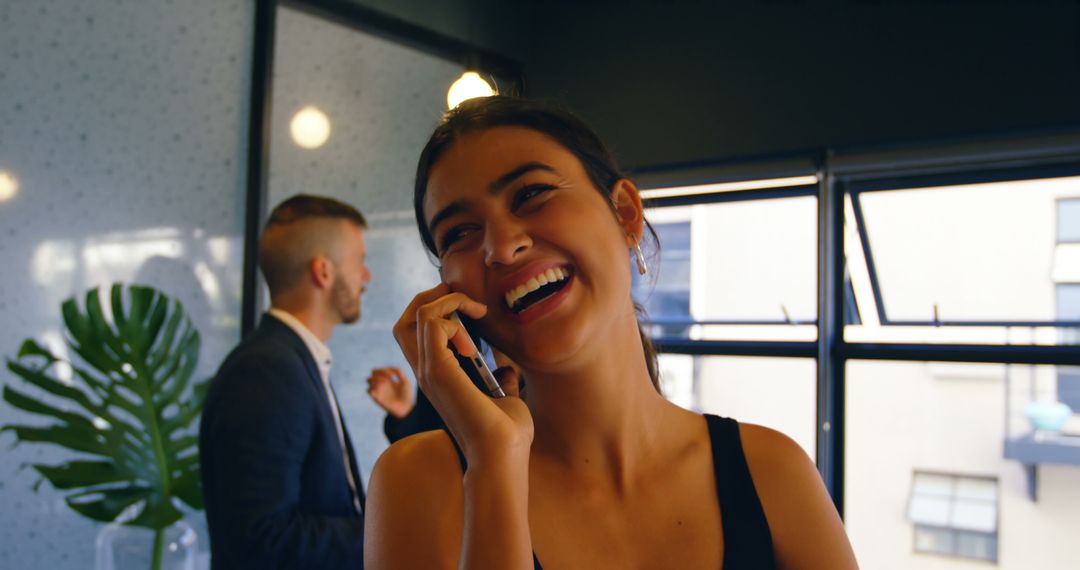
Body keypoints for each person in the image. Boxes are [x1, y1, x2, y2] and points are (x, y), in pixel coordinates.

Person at [364, 96, 860, 569]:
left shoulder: (773, 472)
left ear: (625, 213)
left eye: (531, 194)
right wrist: (496, 462)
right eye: (459, 234)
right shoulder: (418, 482)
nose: (501, 246)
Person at [200, 194, 372, 569]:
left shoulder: (291, 360)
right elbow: (262, 538)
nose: (366, 276)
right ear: (323, 272)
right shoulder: (266, 372)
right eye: (360, 261)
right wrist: (387, 533)